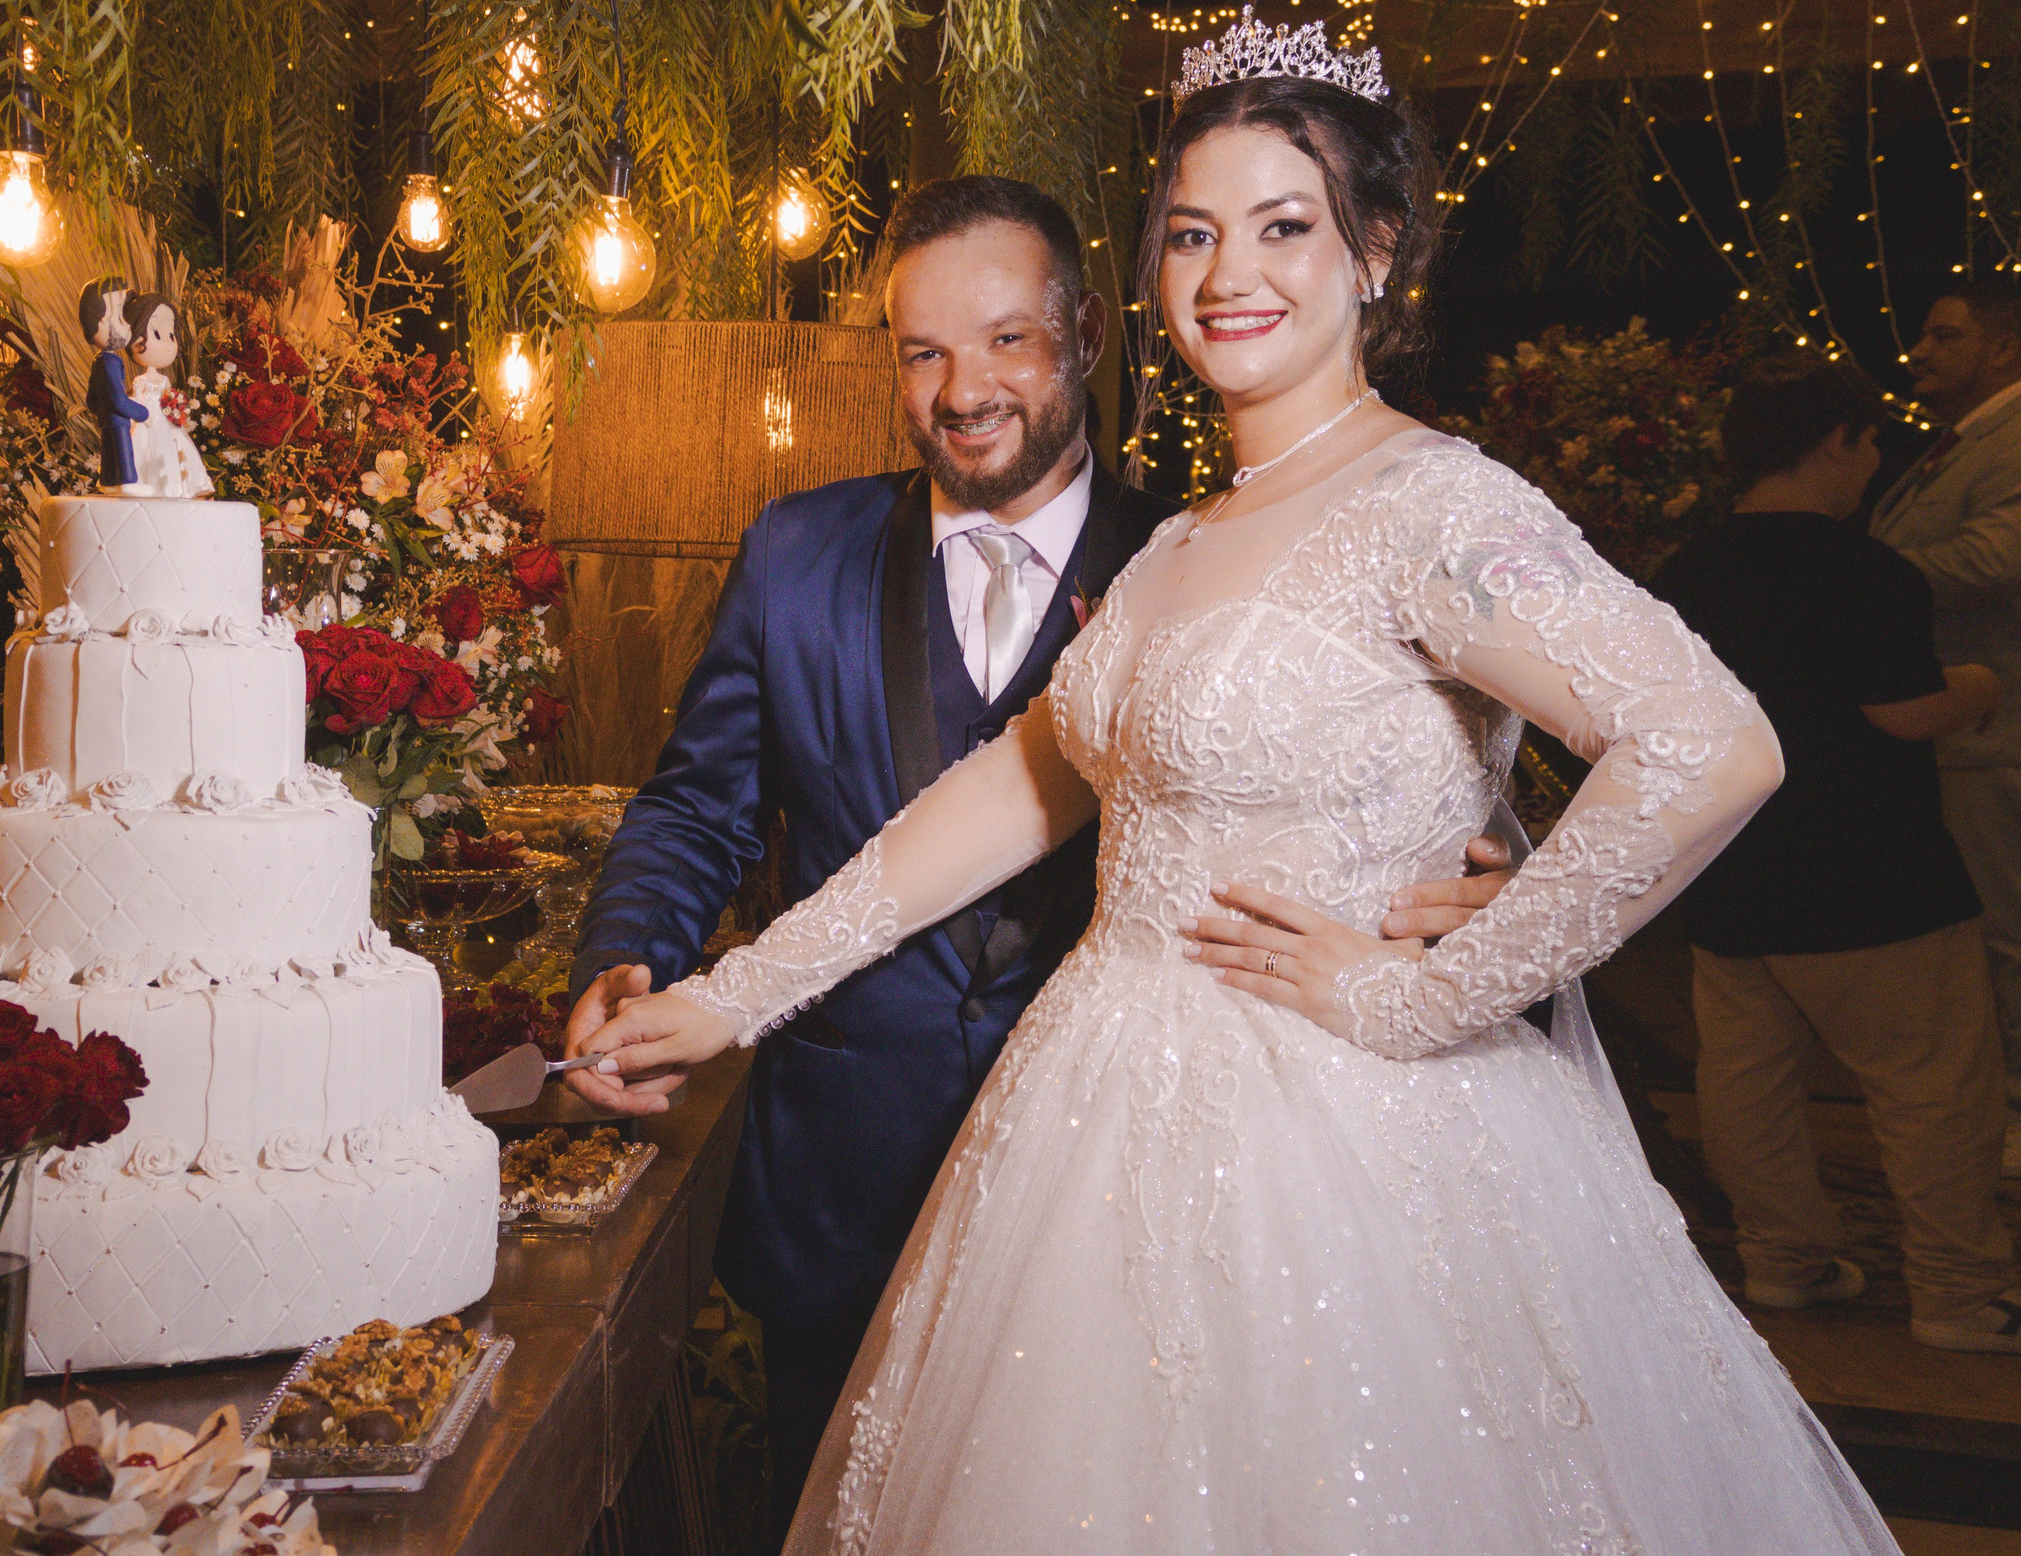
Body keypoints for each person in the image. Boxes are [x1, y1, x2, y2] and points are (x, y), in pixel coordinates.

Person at [574, 11, 1900, 1554]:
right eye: (1194, 233)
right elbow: (1014, 794)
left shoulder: (1430, 503)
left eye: (1285, 226)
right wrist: (731, 996)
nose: (1227, 276)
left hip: (1337, 1155)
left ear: (1376, 252)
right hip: (1096, 1130)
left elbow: (1711, 742)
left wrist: (1438, 989)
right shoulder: (1189, 539)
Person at [561, 174, 1518, 1538]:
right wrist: (631, 949)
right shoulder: (797, 553)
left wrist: (1476, 899)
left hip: (1133, 1197)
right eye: (924, 352)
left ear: (1083, 338)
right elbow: (698, 806)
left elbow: (1422, 777)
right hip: (847, 1168)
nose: (965, 391)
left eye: (1007, 339)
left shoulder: (1204, 560)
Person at [1653, 356, 2015, 1354]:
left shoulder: (1684, 570)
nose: (1872, 462)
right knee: (1932, 1088)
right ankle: (1959, 1293)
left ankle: (1782, 1260)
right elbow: (1906, 712)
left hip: (1732, 870)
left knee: (1749, 1084)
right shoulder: (1865, 569)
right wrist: (1982, 685)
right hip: (1871, 875)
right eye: (1868, 441)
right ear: (1834, 442)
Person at [1872, 279, 2021, 1106]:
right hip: (1958, 734)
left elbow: (1995, 559)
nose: (1918, 352)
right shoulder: (1958, 442)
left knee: (2005, 935)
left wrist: (1854, 578)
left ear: (2004, 348)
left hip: (1995, 731)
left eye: (1943, 335)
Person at [122, 293, 214, 499]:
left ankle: (175, 486)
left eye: (171, 335)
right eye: (156, 334)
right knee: (144, 451)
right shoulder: (141, 381)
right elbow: (136, 402)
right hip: (145, 423)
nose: (167, 343)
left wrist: (175, 408)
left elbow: (168, 397)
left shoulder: (164, 381)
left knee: (172, 452)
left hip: (166, 422)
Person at [79, 274, 152, 496]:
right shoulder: (110, 362)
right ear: (102, 321)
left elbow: (91, 399)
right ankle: (128, 480)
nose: (127, 325)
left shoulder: (99, 361)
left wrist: (101, 411)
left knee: (109, 450)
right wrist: (142, 413)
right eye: (119, 317)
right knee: (122, 448)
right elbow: (119, 400)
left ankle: (108, 480)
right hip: (118, 419)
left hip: (106, 418)